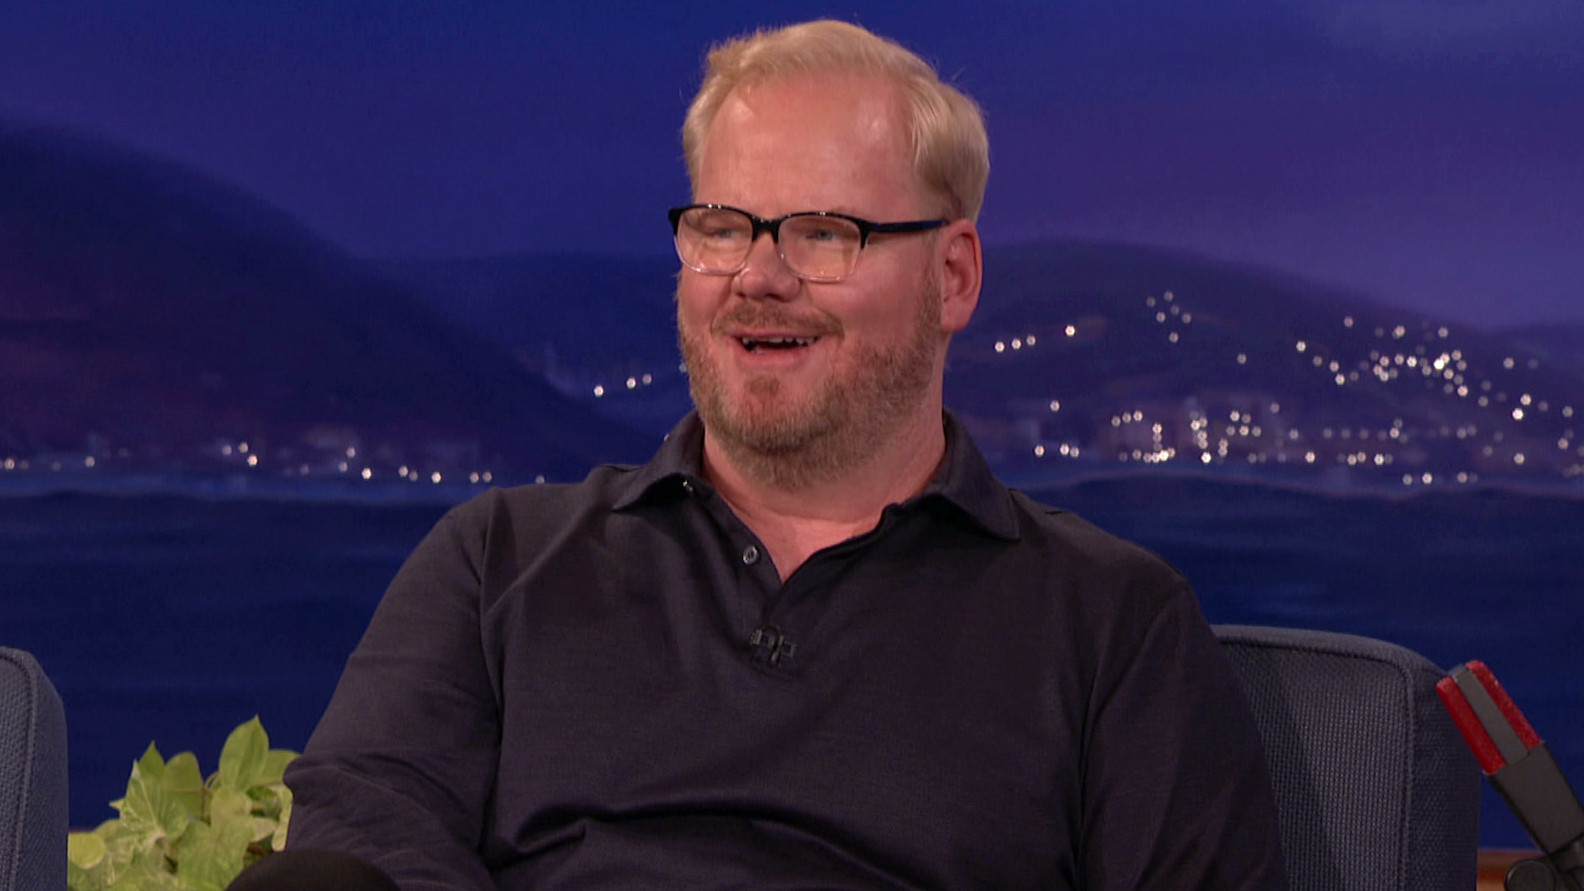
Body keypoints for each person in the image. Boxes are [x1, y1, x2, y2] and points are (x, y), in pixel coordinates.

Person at [280, 19, 1289, 889]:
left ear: (952, 276)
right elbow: (360, 839)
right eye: (722, 229)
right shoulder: (497, 564)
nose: (757, 277)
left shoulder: (1114, 627)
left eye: (822, 233)